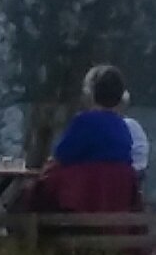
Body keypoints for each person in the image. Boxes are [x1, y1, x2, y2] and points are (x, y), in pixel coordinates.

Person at [32, 66, 143, 214]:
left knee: (30, 193)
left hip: (79, 207)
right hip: (114, 208)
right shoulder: (123, 127)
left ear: (90, 93)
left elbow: (60, 158)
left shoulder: (83, 123)